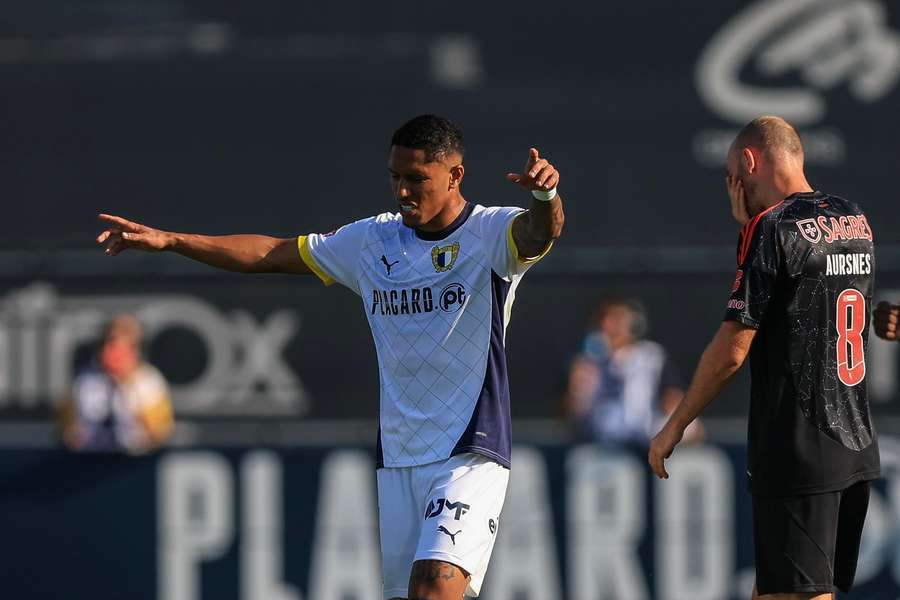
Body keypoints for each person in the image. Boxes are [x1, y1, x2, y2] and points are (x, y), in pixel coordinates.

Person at [96, 114, 565, 600]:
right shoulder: (372, 241)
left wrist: (545, 197)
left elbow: (538, 234)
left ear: (455, 175)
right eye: (395, 177)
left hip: (471, 449)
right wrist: (173, 241)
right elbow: (271, 253)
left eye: (417, 179)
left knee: (433, 590)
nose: (402, 191)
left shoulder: (490, 234)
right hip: (401, 454)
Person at [648, 116, 879, 600]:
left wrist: (676, 424)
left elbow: (733, 349)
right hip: (854, 443)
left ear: (749, 162)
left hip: (799, 446)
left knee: (798, 594)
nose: (734, 189)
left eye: (734, 177)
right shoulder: (854, 218)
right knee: (788, 590)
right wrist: (748, 235)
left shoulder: (770, 228)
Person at [561, 297, 702, 446]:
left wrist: (683, 421)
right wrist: (578, 390)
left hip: (645, 434)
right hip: (601, 440)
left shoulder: (650, 356)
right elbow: (569, 415)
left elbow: (671, 396)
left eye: (618, 320)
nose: (612, 327)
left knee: (689, 426)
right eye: (607, 321)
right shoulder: (586, 360)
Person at [58, 313, 174, 454]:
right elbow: (65, 428)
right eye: (106, 344)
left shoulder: (149, 382)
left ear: (133, 351)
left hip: (134, 463)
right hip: (90, 460)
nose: (108, 352)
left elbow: (160, 434)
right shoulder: (84, 379)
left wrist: (128, 387)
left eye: (115, 346)